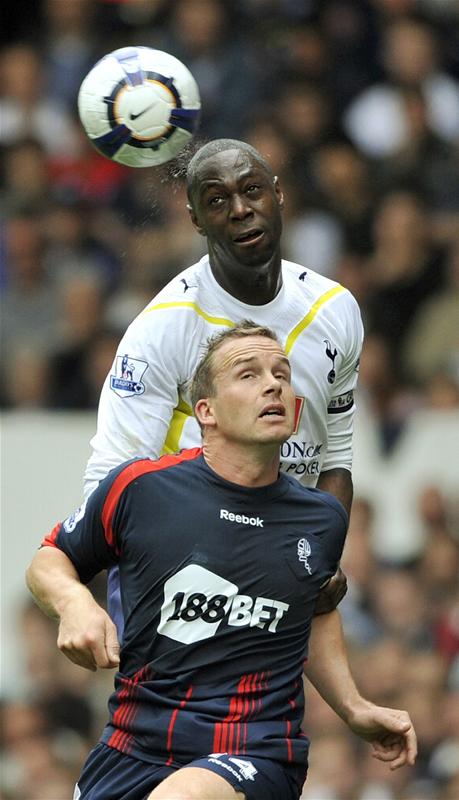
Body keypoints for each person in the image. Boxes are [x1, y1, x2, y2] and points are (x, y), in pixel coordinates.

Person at [26, 324, 416, 800]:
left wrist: (352, 706)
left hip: (256, 750)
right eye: (248, 374)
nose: (273, 384)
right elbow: (50, 560)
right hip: (133, 746)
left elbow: (312, 610)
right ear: (205, 411)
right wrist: (74, 602)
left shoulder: (321, 518)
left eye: (281, 373)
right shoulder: (141, 489)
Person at [84, 138, 364, 636]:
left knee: (276, 716)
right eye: (216, 200)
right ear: (195, 219)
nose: (240, 210)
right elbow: (109, 482)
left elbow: (334, 459)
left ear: (278, 195)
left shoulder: (336, 310)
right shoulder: (163, 327)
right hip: (178, 578)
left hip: (278, 570)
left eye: (252, 190)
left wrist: (320, 557)